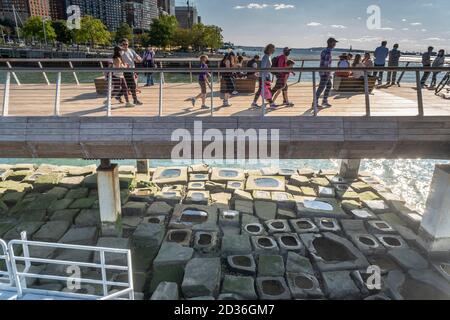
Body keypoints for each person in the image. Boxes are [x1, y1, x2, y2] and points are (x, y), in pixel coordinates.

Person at [314, 37, 338, 108]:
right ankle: (315, 103)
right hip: (325, 73)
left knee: (329, 86)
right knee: (321, 88)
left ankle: (324, 101)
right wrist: (328, 74)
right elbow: (326, 64)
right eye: (334, 43)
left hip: (323, 72)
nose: (335, 44)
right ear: (330, 43)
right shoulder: (327, 52)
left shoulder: (325, 50)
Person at [252, 44, 277, 109]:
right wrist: (264, 77)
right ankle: (271, 103)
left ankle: (254, 103)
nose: (274, 50)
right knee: (266, 90)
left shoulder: (268, 56)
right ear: (270, 49)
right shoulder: (265, 57)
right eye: (273, 49)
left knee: (262, 89)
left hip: (266, 76)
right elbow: (263, 67)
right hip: (264, 76)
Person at [120, 38, 143, 105]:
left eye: (126, 44)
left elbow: (137, 57)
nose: (125, 45)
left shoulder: (131, 50)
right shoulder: (121, 52)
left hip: (132, 70)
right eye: (123, 44)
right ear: (121, 45)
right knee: (133, 85)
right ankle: (135, 100)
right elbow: (117, 60)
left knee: (127, 86)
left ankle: (117, 95)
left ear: (128, 44)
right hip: (125, 71)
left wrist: (139, 59)